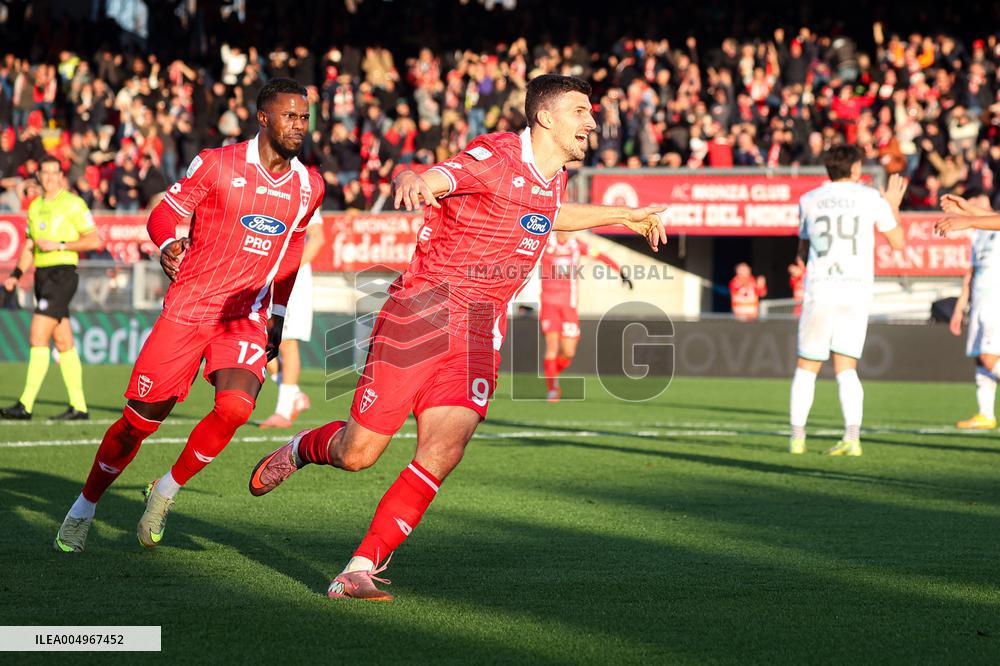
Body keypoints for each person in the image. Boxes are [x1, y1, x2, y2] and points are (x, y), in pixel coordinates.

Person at [248, 74, 667, 601]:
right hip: (420, 315)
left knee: (442, 453)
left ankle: (358, 567)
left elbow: (549, 216)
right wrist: (413, 179)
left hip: (477, 333)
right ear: (545, 118)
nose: (591, 121)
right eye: (581, 111)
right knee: (358, 454)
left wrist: (624, 214)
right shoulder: (495, 157)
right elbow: (434, 177)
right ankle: (304, 447)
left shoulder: (553, 175)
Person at [52, 78, 325, 553]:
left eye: (304, 117)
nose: (299, 125)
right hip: (189, 307)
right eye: (289, 115)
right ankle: (85, 505)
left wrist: (277, 313)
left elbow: (293, 245)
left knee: (236, 407)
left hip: (245, 315)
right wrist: (167, 243)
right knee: (138, 423)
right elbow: (164, 213)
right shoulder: (218, 164)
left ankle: (165, 491)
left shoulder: (309, 185)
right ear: (263, 118)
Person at [789, 145, 907, 456]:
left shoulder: (809, 199)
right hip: (855, 291)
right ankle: (852, 438)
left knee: (807, 366)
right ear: (855, 169)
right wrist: (893, 205)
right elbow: (898, 242)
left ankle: (797, 438)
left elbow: (802, 251)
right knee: (846, 367)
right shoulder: (871, 197)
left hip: (820, 289)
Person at [1, 155, 102, 420]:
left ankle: (25, 405)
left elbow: (94, 240)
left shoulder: (73, 204)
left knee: (37, 336)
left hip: (62, 273)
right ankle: (79, 407)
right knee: (63, 340)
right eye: (44, 173)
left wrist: (59, 244)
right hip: (42, 276)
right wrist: (16, 274)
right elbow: (30, 246)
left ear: (60, 175)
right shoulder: (34, 207)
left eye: (53, 172)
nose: (48, 177)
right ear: (39, 176)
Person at [539, 231, 632, 401]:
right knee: (552, 347)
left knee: (568, 352)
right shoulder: (545, 243)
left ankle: (552, 374)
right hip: (548, 304)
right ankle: (552, 389)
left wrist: (621, 272)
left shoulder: (576, 245)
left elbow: (600, 256)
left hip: (569, 306)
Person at [937, 192, 1000, 429]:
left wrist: (969, 219)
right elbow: (971, 273)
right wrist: (960, 307)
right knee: (980, 356)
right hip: (980, 300)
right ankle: (985, 413)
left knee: (989, 355)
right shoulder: (980, 234)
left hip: (997, 299)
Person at [260, 209, 326, 428]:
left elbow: (318, 238)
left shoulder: (305, 190)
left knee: (286, 342)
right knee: (263, 344)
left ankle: (283, 412)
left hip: (291, 280)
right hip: (264, 276)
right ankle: (294, 395)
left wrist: (290, 268)